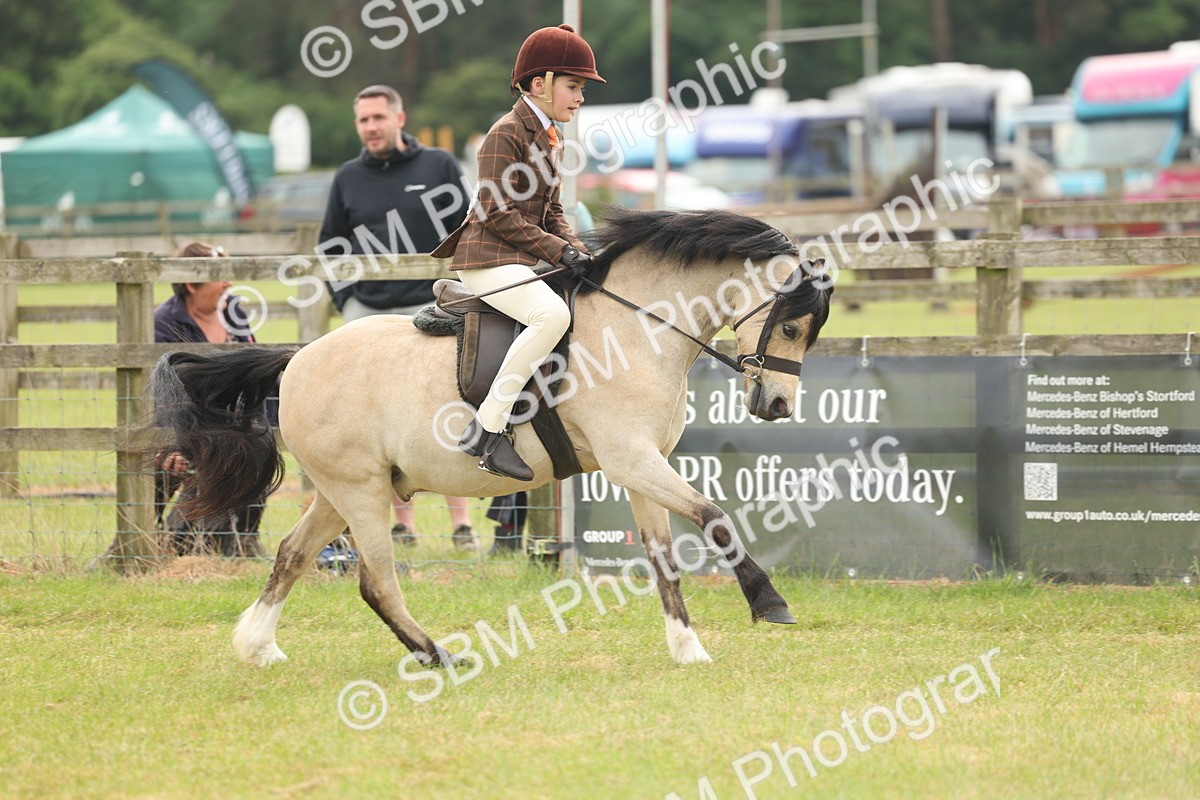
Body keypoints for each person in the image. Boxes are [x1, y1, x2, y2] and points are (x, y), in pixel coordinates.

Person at [432, 23, 604, 481]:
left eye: (581, 88)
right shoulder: (505, 133)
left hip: (519, 258)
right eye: (573, 86)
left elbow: (552, 211)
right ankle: (488, 429)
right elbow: (495, 212)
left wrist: (578, 250)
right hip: (485, 259)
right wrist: (558, 251)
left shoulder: (551, 136)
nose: (580, 97)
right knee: (552, 316)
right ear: (539, 84)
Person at [319, 84, 479, 550]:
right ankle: (402, 525)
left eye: (378, 118)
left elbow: (468, 229)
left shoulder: (438, 166)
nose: (370, 127)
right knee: (379, 419)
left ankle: (462, 524)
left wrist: (458, 288)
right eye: (363, 120)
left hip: (429, 304)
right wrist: (346, 300)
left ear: (399, 119)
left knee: (447, 403)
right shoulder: (347, 177)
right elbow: (330, 245)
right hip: (367, 310)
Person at [153, 241, 269, 557]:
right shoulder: (164, 322)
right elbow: (163, 388)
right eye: (220, 276)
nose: (229, 283)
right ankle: (143, 538)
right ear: (192, 284)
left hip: (232, 420)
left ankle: (244, 540)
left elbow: (252, 370)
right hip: (184, 420)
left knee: (256, 448)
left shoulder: (234, 312)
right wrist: (175, 440)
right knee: (165, 465)